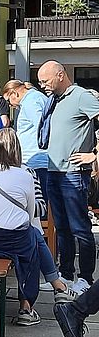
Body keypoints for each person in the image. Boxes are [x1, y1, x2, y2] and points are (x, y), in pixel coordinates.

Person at [0, 129, 76, 324]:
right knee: (32, 238)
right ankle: (28, 306)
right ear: (16, 149)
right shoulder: (25, 174)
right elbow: (32, 212)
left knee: (29, 235)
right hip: (12, 243)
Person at [37, 60, 99, 293]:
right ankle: (65, 275)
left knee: (80, 228)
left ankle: (85, 278)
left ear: (61, 75)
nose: (42, 85)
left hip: (73, 174)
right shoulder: (55, 100)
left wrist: (93, 155)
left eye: (46, 80)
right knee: (61, 228)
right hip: (54, 170)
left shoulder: (81, 96)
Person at [3, 80, 48, 199]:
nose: (10, 105)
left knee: (38, 205)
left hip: (36, 160)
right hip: (39, 159)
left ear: (14, 93)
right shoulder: (36, 98)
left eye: (9, 101)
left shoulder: (30, 102)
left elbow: (42, 127)